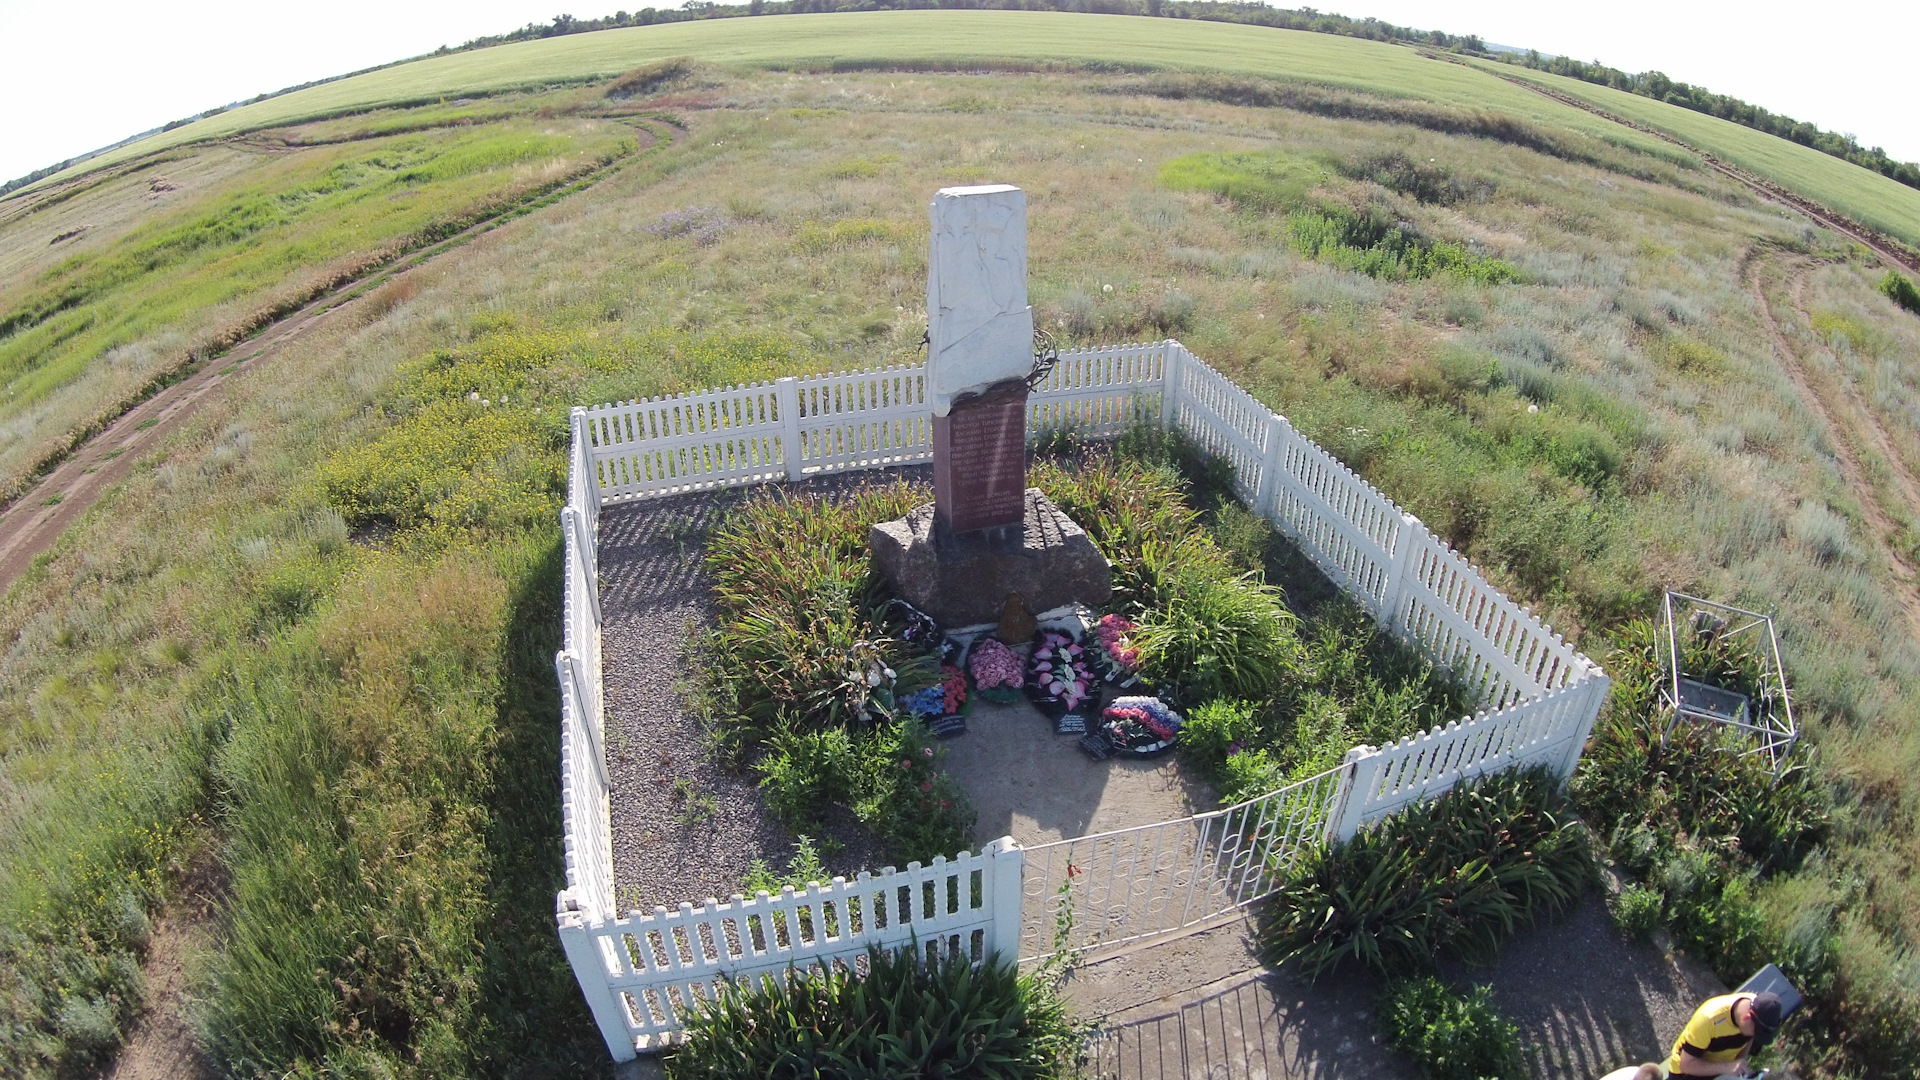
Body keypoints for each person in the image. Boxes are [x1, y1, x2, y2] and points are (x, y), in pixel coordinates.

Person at [1666, 991, 1783, 1077]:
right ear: (1747, 1018)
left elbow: (1751, 1039)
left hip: (1722, 1070)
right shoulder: (1708, 1020)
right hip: (1687, 1071)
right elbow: (1686, 1065)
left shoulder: (1757, 1009)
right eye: (1755, 1033)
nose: (1754, 1036)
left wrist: (1741, 1061)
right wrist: (1727, 1067)